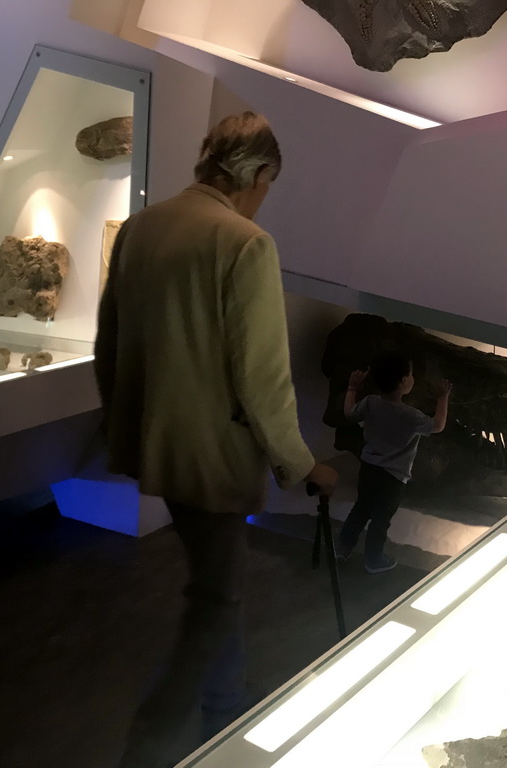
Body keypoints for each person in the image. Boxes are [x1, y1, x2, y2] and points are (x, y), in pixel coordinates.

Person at [93, 111, 338, 766]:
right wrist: (303, 465)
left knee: (214, 586)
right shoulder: (246, 243)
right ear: (256, 175)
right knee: (216, 595)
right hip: (214, 460)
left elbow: (107, 347)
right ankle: (157, 740)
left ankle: (226, 703)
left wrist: (126, 427)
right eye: (267, 186)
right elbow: (263, 379)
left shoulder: (142, 228)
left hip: (158, 449)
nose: (264, 200)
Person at [337, 351, 451, 573]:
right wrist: (442, 397)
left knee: (360, 509)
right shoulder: (410, 415)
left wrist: (351, 388)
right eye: (410, 374)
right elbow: (437, 426)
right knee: (381, 519)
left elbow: (349, 413)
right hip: (394, 477)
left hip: (368, 468)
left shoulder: (370, 403)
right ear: (403, 381)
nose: (412, 377)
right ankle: (373, 559)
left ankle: (342, 548)